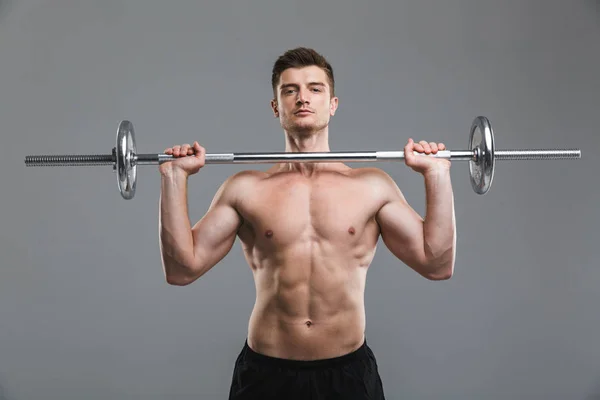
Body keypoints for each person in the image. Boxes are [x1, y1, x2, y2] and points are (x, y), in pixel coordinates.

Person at [158, 47, 456, 400]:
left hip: (347, 375)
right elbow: (181, 269)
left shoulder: (371, 186)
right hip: (265, 374)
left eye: (315, 89)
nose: (303, 98)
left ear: (332, 104)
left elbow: (437, 264)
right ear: (275, 107)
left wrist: (437, 176)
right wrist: (174, 179)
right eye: (290, 90)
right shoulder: (246, 189)